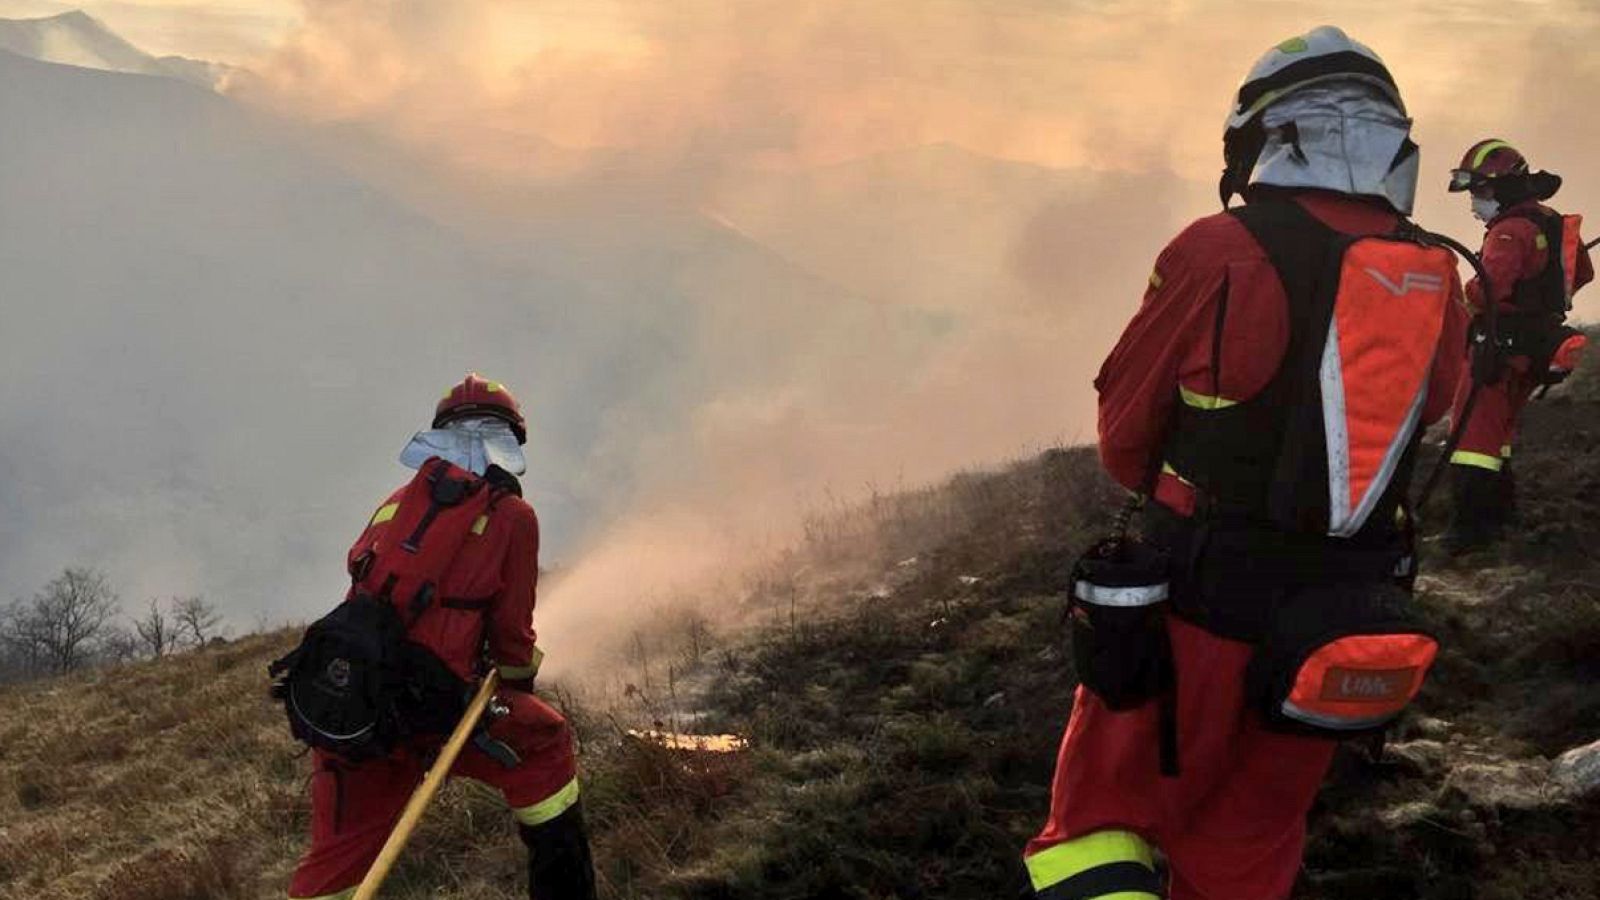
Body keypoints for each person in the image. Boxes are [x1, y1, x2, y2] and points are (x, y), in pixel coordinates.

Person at [1022, 27, 1469, 900]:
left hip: (1200, 606)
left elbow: (1125, 439)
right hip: (1338, 623)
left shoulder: (1219, 251)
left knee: (1096, 830)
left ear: (1264, 136)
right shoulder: (1433, 273)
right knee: (1250, 845)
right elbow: (1437, 411)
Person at [286, 373, 596, 900]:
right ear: (508, 443)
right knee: (545, 744)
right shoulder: (513, 517)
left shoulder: (394, 504)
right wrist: (517, 684)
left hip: (352, 704)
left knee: (336, 864)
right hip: (436, 711)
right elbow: (512, 639)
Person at [1442, 139, 1591, 553]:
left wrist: (1454, 294)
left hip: (1498, 348)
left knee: (1472, 439)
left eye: (1482, 192)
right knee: (1499, 436)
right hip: (1532, 346)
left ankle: (1470, 533)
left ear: (1505, 188)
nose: (1476, 201)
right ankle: (1503, 517)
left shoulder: (1508, 232)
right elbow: (1581, 273)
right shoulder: (1552, 221)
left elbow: (1487, 289)